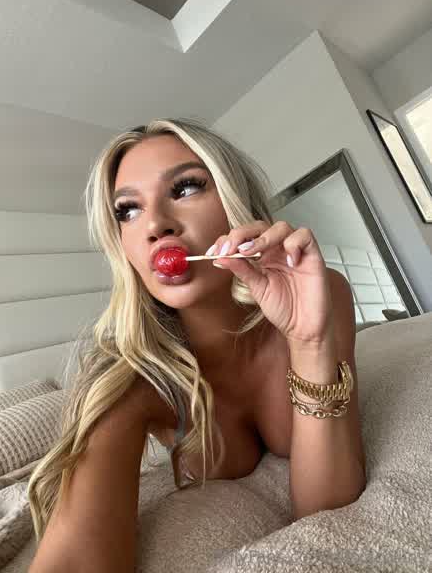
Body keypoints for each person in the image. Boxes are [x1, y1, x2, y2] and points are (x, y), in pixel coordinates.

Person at [27, 118, 366, 572]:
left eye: (185, 188)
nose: (155, 225)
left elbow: (329, 512)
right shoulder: (130, 379)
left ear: (235, 202)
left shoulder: (321, 294)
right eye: (127, 211)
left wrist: (311, 342)